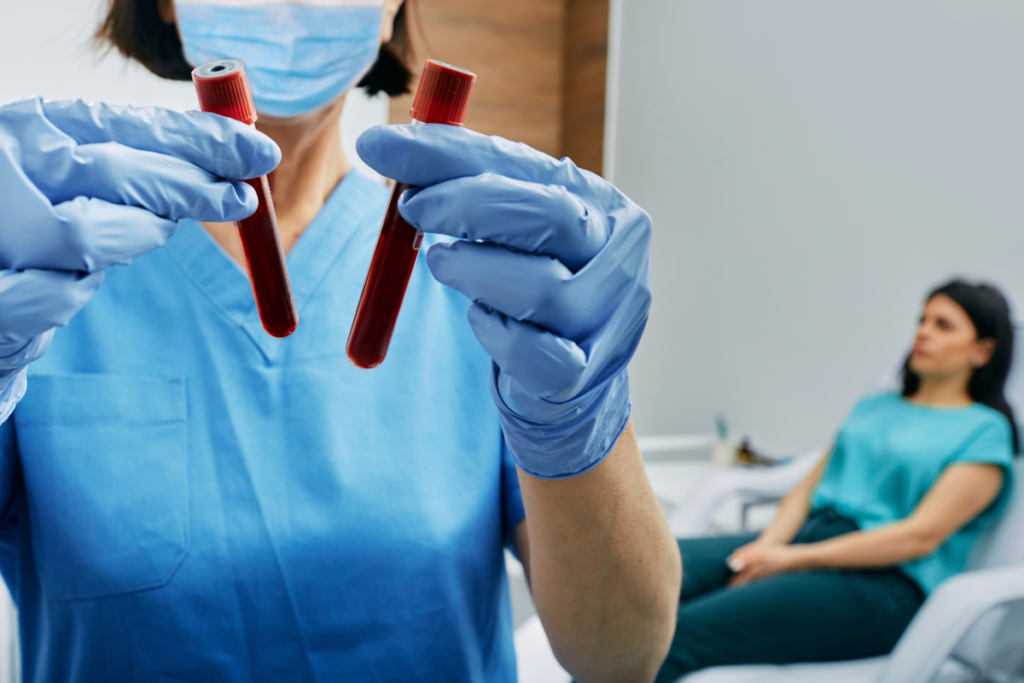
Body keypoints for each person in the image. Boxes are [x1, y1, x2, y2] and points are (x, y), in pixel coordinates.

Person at [0, 1, 682, 681]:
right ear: (167, 6)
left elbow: (621, 656)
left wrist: (584, 419)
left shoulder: (490, 278)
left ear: (393, 9)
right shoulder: (46, 269)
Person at [656, 280, 1017, 681]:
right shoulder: (876, 407)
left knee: (675, 636)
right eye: (922, 320)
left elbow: (918, 537)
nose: (923, 332)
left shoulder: (985, 431)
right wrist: (766, 548)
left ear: (983, 351)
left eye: (944, 325)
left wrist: (790, 561)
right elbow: (807, 489)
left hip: (884, 586)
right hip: (807, 539)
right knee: (647, 567)